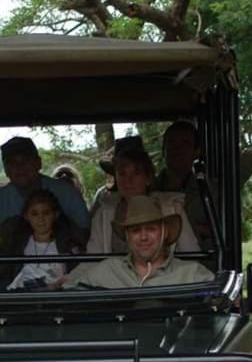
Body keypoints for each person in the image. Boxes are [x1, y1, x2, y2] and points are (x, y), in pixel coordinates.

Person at [66, 195, 213, 289]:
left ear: (165, 232)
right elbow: (67, 294)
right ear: (127, 236)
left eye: (151, 229)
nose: (143, 237)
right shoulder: (106, 270)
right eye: (136, 230)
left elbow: (222, 301)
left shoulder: (191, 273)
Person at [86, 146, 200, 255]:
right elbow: (92, 259)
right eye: (122, 174)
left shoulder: (172, 207)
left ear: (148, 178)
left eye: (136, 173)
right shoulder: (104, 213)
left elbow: (191, 252)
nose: (128, 180)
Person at [0, 137, 89, 232]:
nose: (20, 167)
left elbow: (86, 233)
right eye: (12, 163)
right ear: (6, 169)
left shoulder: (66, 192)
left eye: (25, 160)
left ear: (38, 163)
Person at [0, 189, 85, 290]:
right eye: (34, 214)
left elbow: (79, 274)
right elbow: (6, 277)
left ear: (55, 215)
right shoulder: (16, 243)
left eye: (46, 213)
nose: (40, 218)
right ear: (26, 216)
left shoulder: (69, 244)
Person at [153, 120, 216, 250]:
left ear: (196, 152)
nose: (178, 150)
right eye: (172, 143)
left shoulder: (209, 190)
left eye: (185, 144)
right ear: (164, 150)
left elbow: (222, 232)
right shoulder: (148, 189)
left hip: (199, 264)